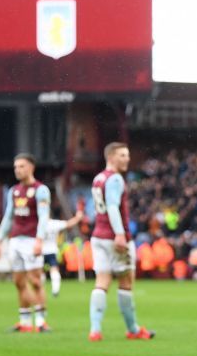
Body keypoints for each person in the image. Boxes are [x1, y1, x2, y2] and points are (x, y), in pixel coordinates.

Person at [89, 142, 155, 342]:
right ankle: (133, 329)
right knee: (126, 282)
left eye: (127, 155)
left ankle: (95, 329)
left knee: (101, 281)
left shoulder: (98, 178)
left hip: (98, 236)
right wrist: (119, 234)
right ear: (111, 158)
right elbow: (112, 207)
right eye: (122, 155)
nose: (127, 159)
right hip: (114, 237)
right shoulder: (115, 179)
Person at [0, 153, 52, 332]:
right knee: (18, 282)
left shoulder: (41, 190)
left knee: (35, 281)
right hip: (15, 240)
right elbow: (8, 217)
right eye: (16, 167)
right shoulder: (14, 191)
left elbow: (43, 217)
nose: (18, 170)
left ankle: (41, 321)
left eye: (22, 166)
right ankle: (25, 321)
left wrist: (39, 240)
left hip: (31, 240)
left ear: (31, 168)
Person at [42, 210, 84, 297]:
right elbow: (68, 224)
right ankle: (55, 290)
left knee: (39, 272)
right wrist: (78, 217)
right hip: (51, 251)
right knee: (54, 270)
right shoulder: (53, 223)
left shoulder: (37, 224)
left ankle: (40, 290)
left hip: (40, 251)